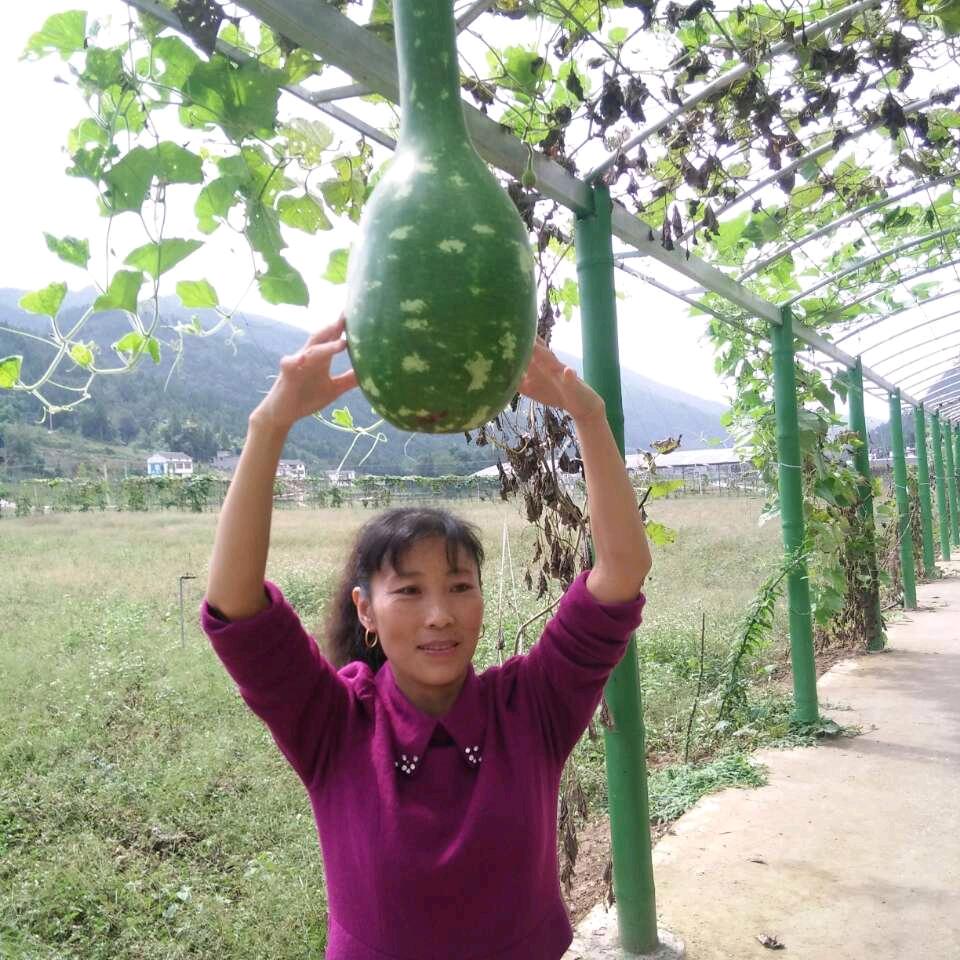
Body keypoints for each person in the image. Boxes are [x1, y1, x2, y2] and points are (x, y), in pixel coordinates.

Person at [201, 316, 652, 959]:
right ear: (366, 611)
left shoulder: (532, 708)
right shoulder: (333, 725)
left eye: (460, 587)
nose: (439, 614)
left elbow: (622, 571)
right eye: (409, 591)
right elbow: (236, 612)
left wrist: (589, 416)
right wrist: (267, 427)